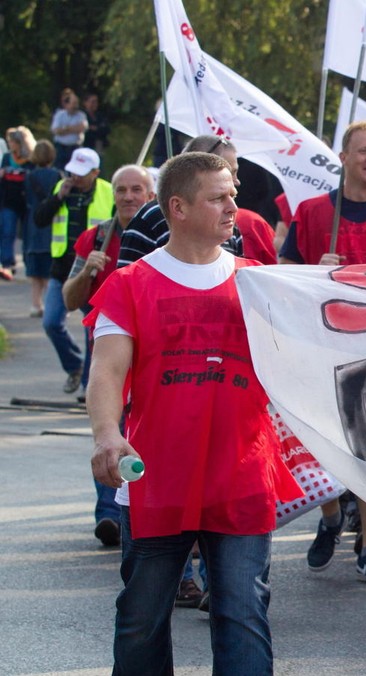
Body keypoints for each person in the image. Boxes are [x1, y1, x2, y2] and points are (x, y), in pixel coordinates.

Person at [86, 151, 301, 674]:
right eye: (219, 197)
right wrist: (106, 435)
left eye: (233, 193)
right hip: (158, 475)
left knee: (244, 612)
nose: (234, 205)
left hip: (242, 474)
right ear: (177, 207)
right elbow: (108, 372)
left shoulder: (258, 282)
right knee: (141, 617)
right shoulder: (131, 282)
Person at [281, 121, 366, 585]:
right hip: (323, 350)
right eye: (363, 152)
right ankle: (332, 514)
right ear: (343, 157)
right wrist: (310, 274)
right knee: (322, 446)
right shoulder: (315, 212)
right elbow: (281, 273)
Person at [62, 165, 154, 546]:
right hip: (106, 352)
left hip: (151, 354)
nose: (129, 197)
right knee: (107, 430)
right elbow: (69, 299)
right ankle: (110, 515)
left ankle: (143, 512)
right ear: (112, 194)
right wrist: (88, 272)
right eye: (122, 190)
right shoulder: (96, 237)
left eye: (137, 190)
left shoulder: (163, 235)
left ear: (151, 196)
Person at [118, 136, 277, 268]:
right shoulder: (149, 217)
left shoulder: (231, 227)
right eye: (229, 171)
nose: (236, 181)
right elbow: (126, 290)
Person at [33, 147, 112, 394]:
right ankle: (74, 366)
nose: (75, 178)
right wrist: (58, 198)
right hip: (62, 269)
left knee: (93, 331)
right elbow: (40, 219)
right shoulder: (62, 189)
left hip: (94, 274)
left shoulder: (109, 192)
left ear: (96, 172)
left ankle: (90, 387)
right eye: (72, 172)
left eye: (81, 173)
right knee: (51, 323)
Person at [23, 140, 59, 316]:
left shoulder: (30, 176)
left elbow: (27, 200)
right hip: (52, 224)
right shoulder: (57, 176)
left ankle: (35, 304)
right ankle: (52, 305)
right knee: (49, 272)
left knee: (35, 271)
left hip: (33, 224)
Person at [1, 126, 35, 279]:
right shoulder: (7, 158)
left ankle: (29, 265)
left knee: (28, 234)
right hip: (9, 200)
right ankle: (7, 264)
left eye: (12, 142)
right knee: (7, 232)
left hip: (26, 202)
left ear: (20, 142)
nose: (10, 145)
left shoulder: (30, 160)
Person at [50, 89, 88, 171]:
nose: (76, 106)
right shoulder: (59, 115)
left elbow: (82, 128)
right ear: (67, 104)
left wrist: (66, 128)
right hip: (61, 148)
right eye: (73, 104)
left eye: (77, 103)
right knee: (59, 170)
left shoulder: (81, 115)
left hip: (75, 147)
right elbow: (56, 131)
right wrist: (73, 128)